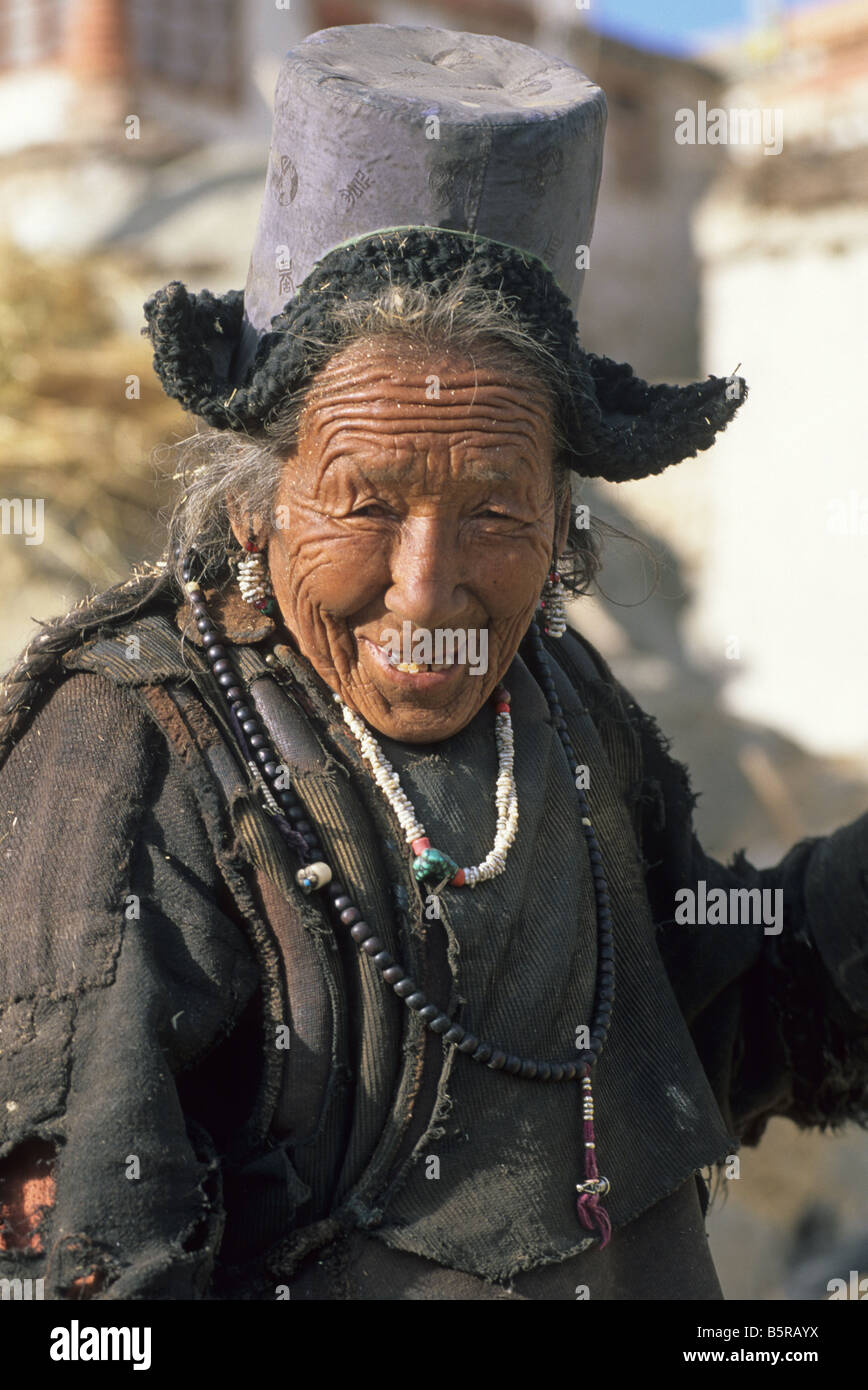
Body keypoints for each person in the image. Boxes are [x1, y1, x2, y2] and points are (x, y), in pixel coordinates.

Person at [0, 23, 865, 1302]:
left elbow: (701, 1020)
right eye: (364, 504)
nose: (427, 589)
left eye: (497, 513)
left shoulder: (563, 715)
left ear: (563, 533)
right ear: (255, 506)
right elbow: (81, 1309)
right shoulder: (127, 765)